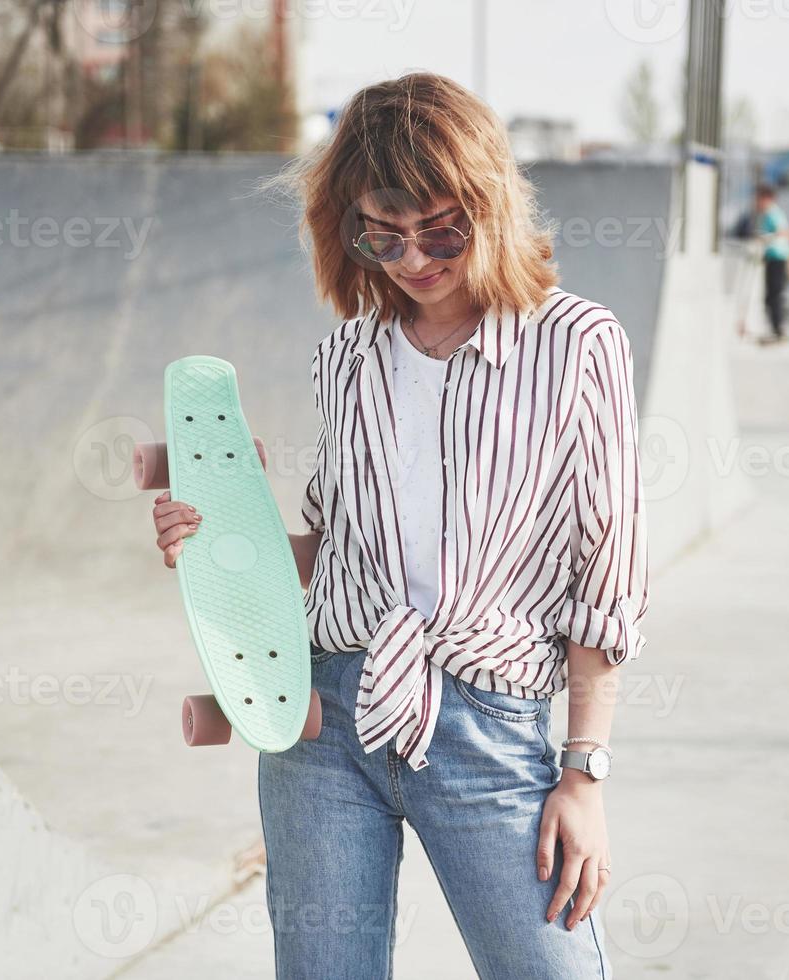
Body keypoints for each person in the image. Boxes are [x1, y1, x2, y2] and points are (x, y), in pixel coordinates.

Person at [150, 72, 648, 979]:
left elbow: (604, 577)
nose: (413, 258)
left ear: (487, 206)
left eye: (439, 228)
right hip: (322, 727)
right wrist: (215, 539)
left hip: (483, 727)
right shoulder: (345, 355)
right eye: (383, 233)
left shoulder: (575, 343)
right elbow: (327, 546)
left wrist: (583, 773)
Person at [755, 184, 789, 343]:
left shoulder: (772, 213)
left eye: (759, 199)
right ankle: (775, 328)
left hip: (777, 258)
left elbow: (785, 232)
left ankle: (778, 330)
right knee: (771, 296)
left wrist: (767, 238)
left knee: (774, 295)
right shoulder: (768, 214)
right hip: (773, 258)